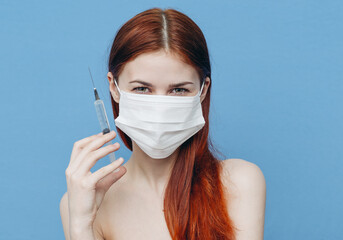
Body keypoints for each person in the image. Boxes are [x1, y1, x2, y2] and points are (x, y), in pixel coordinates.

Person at [60, 7, 266, 240]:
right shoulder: (85, 203)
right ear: (113, 87)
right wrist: (79, 224)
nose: (160, 107)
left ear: (202, 90)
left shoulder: (239, 183)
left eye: (178, 90)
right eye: (142, 89)